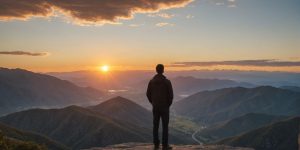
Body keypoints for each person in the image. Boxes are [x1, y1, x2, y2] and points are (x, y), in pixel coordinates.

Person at [147, 64, 173, 150]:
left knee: (155, 125)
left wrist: (153, 102)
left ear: (156, 70)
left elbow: (148, 94)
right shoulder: (167, 82)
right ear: (163, 70)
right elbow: (171, 95)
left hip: (155, 107)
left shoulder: (151, 82)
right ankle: (165, 145)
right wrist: (167, 104)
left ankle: (156, 143)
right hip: (164, 107)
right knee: (165, 126)